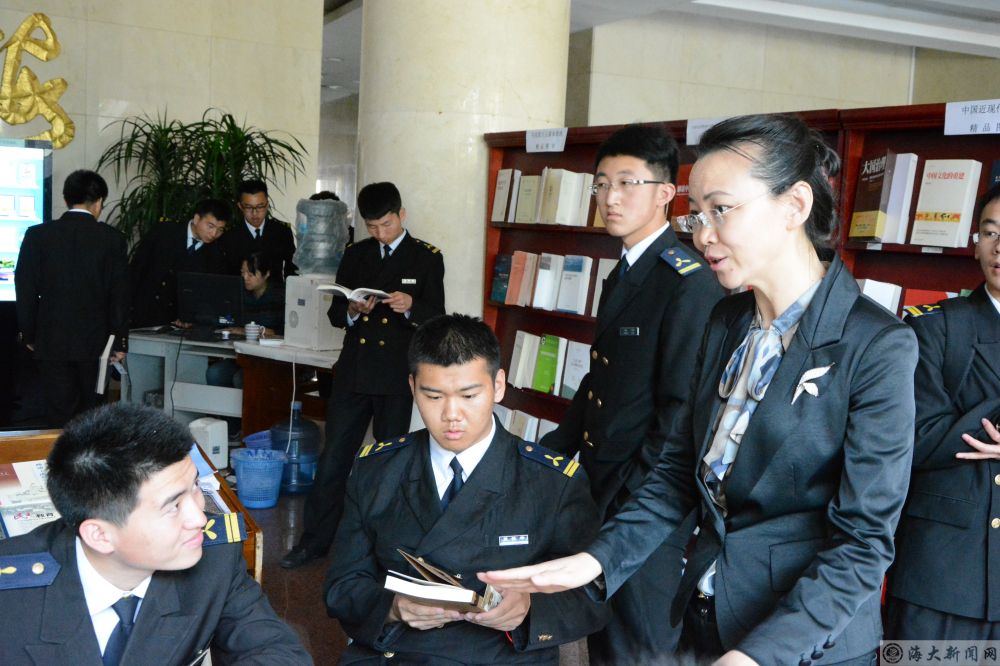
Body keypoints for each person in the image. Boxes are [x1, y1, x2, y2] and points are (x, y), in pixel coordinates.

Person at [480, 113, 919, 666]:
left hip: (802, 644)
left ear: (794, 206)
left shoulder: (876, 346)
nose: (702, 234)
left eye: (722, 210)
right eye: (698, 214)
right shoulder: (727, 320)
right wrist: (596, 560)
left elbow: (862, 544)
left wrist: (755, 657)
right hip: (703, 615)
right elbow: (676, 474)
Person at [538, 124, 724, 663]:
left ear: (666, 193)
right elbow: (602, 381)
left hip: (644, 506)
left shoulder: (687, 282)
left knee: (639, 647)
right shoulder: (625, 272)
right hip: (605, 486)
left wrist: (634, 500)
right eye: (600, 184)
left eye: (626, 183)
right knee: (606, 636)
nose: (610, 198)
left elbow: (680, 414)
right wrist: (544, 456)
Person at [323, 313, 608, 664]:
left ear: (498, 386)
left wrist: (528, 609)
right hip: (397, 651)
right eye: (433, 396)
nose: (452, 415)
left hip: (501, 656)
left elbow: (593, 597)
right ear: (412, 387)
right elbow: (342, 585)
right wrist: (394, 608)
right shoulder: (377, 469)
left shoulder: (551, 481)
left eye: (469, 395)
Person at [0, 402, 311, 665]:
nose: (199, 518)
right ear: (100, 536)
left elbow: (280, 653)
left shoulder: (213, 558)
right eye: (173, 506)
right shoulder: (12, 593)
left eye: (195, 488)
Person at [282, 181, 446, 569]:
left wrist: (411, 307)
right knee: (334, 458)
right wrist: (353, 311)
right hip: (355, 371)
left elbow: (437, 316)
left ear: (401, 215)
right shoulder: (356, 254)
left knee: (389, 463)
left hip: (396, 376)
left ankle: (383, 549)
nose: (380, 233)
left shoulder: (425, 257)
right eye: (372, 227)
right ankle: (314, 540)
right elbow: (335, 314)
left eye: (386, 225)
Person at [886, 182, 1000, 640]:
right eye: (990, 232)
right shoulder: (935, 327)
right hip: (942, 574)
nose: (999, 246)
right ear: (975, 244)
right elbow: (915, 439)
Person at [14, 169, 129, 427]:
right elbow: (119, 294)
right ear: (98, 202)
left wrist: (29, 334)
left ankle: (57, 452)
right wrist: (120, 341)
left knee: (57, 411)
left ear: (66, 199)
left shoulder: (37, 235)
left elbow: (25, 287)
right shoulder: (112, 239)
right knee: (93, 412)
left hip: (50, 339)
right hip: (97, 344)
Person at [128, 198, 231, 327]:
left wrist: (192, 316)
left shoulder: (217, 253)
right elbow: (136, 269)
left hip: (177, 323)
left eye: (220, 230)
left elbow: (209, 295)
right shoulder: (164, 232)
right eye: (210, 226)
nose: (214, 234)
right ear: (197, 219)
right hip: (142, 314)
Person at [207, 250, 286, 389]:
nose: (245, 278)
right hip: (242, 355)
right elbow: (228, 317)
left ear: (266, 274)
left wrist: (246, 331)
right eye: (242, 273)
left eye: (251, 274)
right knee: (215, 373)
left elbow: (281, 333)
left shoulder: (280, 296)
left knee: (240, 378)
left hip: (271, 359)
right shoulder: (240, 294)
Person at [218, 179, 297, 279]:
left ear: (267, 205)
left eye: (260, 206)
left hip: (274, 288)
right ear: (240, 206)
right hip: (241, 288)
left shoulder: (282, 232)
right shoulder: (229, 236)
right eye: (248, 207)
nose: (254, 213)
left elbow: (292, 270)